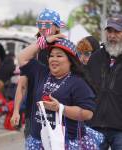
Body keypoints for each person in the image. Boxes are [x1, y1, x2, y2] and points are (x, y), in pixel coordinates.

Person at [11, 35, 97, 149]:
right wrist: (44, 41)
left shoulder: (78, 82)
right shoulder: (42, 72)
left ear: (70, 60)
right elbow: (22, 58)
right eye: (51, 56)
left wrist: (60, 108)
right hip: (38, 141)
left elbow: (88, 113)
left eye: (59, 56)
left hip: (64, 143)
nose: (54, 59)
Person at [11, 8, 66, 137]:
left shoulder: (64, 48)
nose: (42, 28)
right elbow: (22, 85)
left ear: (57, 27)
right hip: (33, 111)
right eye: (39, 24)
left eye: (46, 24)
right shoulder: (34, 50)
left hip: (56, 113)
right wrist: (16, 111)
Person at [87, 15, 122, 149]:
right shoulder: (95, 58)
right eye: (109, 31)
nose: (112, 36)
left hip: (120, 129)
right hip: (94, 125)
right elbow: (85, 88)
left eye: (117, 32)